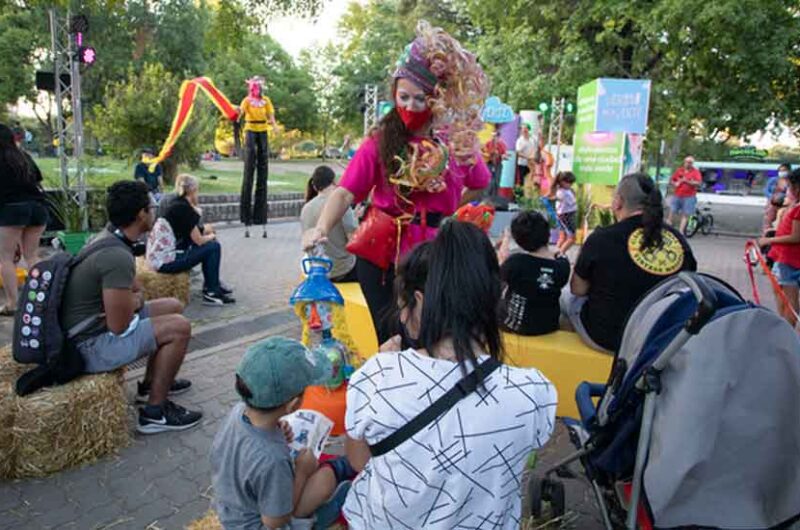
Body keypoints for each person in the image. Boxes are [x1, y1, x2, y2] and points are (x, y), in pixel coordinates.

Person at [342, 221, 557, 529]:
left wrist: (383, 365)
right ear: (496, 298)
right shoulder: (534, 392)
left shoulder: (377, 376)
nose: (402, 317)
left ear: (420, 302)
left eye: (402, 306)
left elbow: (358, 460)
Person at [302, 21, 491, 344]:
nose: (410, 107)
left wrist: (446, 209)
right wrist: (320, 227)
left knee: (429, 339)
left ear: (437, 100)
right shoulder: (379, 141)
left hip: (432, 254)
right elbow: (346, 192)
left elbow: (479, 183)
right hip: (380, 254)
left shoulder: (456, 142)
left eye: (421, 99)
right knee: (391, 339)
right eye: (403, 97)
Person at [61, 180, 201, 434]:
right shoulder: (116, 256)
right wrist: (132, 301)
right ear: (140, 215)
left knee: (173, 305)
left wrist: (132, 300)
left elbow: (136, 290)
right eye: (151, 206)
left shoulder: (108, 239)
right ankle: (154, 414)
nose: (155, 211)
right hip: (87, 347)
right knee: (179, 327)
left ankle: (150, 384)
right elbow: (119, 325)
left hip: (90, 328)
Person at [211, 336, 355, 530]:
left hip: (234, 507)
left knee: (322, 475)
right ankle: (320, 520)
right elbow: (275, 521)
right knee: (325, 481)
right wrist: (302, 473)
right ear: (293, 405)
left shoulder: (238, 412)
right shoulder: (272, 458)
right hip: (263, 523)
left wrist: (277, 429)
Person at [564, 173, 698, 353]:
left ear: (618, 202)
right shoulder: (679, 241)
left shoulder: (602, 238)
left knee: (565, 297)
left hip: (606, 338)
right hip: (655, 340)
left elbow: (578, 290)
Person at [160, 175, 235, 306]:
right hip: (169, 260)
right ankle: (211, 292)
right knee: (213, 247)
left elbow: (191, 232)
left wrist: (207, 231)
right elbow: (199, 240)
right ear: (192, 190)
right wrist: (212, 235)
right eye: (197, 190)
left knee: (210, 244)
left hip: (168, 254)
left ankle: (212, 284)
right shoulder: (183, 208)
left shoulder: (178, 203)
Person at [0, 123, 48, 316]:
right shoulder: (23, 157)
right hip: (38, 208)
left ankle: (13, 303)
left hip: (12, 210)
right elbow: (38, 178)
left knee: (5, 259)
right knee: (32, 256)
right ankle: (43, 298)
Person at [499, 211, 570, 336]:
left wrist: (506, 238)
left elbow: (501, 265)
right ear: (547, 234)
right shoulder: (562, 265)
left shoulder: (516, 262)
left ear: (519, 240)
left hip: (515, 326)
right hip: (548, 327)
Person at [300, 166, 358, 283]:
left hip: (317, 268)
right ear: (334, 181)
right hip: (342, 270)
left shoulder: (306, 208)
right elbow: (353, 239)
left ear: (315, 186)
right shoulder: (341, 205)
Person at [758, 169, 800, 327]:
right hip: (784, 258)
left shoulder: (798, 209)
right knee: (781, 294)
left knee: (790, 302)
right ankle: (783, 326)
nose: (789, 191)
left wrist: (769, 240)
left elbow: (796, 237)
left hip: (789, 260)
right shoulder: (795, 206)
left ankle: (787, 332)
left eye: (790, 186)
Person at [239, 75, 277, 238]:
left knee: (263, 167)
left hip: (262, 130)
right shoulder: (246, 100)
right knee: (250, 166)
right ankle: (246, 215)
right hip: (250, 129)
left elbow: (271, 115)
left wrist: (274, 126)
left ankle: (260, 215)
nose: (258, 90)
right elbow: (240, 112)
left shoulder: (266, 100)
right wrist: (236, 117)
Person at [666, 155, 702, 234]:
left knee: (685, 214)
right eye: (687, 162)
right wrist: (674, 183)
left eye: (690, 162)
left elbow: (698, 183)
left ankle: (680, 231)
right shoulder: (679, 170)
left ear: (692, 163)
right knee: (672, 210)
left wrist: (687, 181)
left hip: (689, 196)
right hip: (678, 194)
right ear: (684, 162)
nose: (688, 164)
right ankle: (667, 228)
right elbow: (672, 180)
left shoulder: (695, 172)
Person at [554, 170, 578, 255]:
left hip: (564, 215)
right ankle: (560, 253)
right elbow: (573, 202)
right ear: (563, 182)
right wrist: (573, 194)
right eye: (570, 183)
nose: (571, 185)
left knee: (562, 237)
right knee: (572, 238)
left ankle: (556, 253)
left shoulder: (563, 190)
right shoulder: (562, 192)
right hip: (567, 215)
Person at [763, 163, 791, 233]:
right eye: (780, 170)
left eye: (784, 170)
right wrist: (772, 197)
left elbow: (791, 193)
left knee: (781, 220)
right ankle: (767, 234)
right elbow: (766, 190)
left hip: (784, 203)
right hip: (772, 202)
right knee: (769, 219)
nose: (782, 172)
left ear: (789, 171)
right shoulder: (773, 180)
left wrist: (783, 197)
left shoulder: (791, 181)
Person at [484, 128, 507, 196]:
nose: (493, 138)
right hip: (489, 163)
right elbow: (484, 152)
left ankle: (495, 197)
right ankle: (486, 197)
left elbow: (504, 154)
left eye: (495, 136)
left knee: (497, 181)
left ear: (498, 137)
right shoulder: (488, 143)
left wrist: (502, 156)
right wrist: (490, 154)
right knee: (489, 181)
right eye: (492, 136)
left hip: (498, 164)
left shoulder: (501, 144)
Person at [515, 123, 537, 187]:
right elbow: (518, 153)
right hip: (522, 164)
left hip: (532, 163)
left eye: (525, 129)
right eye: (523, 129)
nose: (524, 130)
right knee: (522, 181)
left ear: (528, 130)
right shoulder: (519, 140)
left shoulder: (533, 139)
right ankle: (521, 195)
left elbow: (537, 148)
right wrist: (528, 158)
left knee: (532, 179)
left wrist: (533, 157)